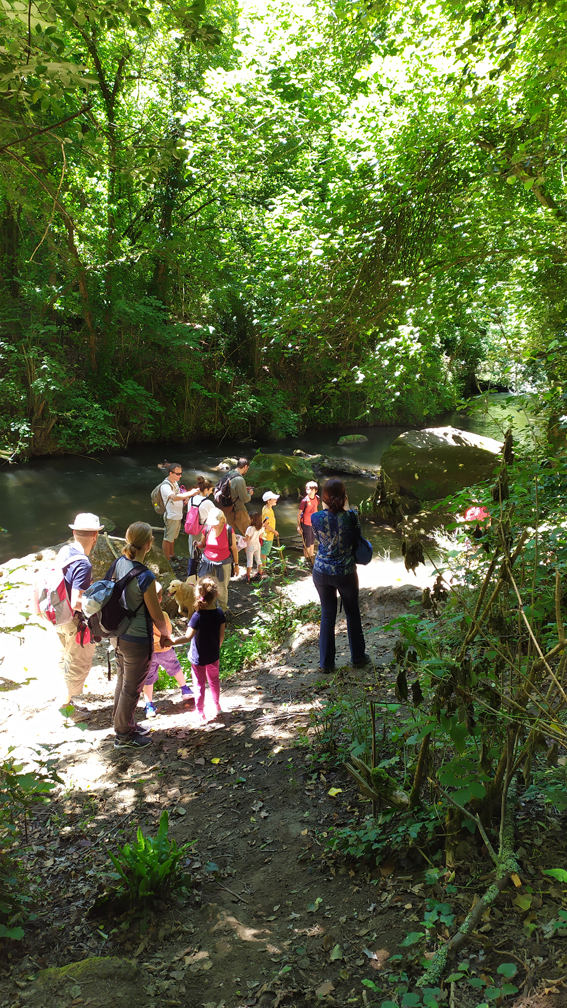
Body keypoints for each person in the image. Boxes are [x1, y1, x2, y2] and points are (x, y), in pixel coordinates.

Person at [112, 522, 173, 749]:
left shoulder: (119, 563)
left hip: (117, 634)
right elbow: (156, 615)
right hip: (137, 639)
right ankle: (123, 735)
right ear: (149, 543)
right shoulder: (145, 575)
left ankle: (124, 724)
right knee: (131, 688)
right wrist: (165, 635)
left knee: (122, 681)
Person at [33, 512, 103, 705]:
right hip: (74, 620)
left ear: (74, 532)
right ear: (95, 536)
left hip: (57, 613)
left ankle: (63, 699)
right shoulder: (83, 564)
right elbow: (76, 602)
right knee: (78, 663)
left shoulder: (65, 551)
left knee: (65, 657)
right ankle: (67, 707)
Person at [311, 478, 369, 673]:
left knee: (327, 614)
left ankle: (326, 664)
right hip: (345, 572)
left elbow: (320, 539)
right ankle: (358, 658)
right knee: (352, 613)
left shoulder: (315, 517)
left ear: (324, 497)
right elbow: (357, 538)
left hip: (321, 571)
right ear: (344, 496)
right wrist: (346, 506)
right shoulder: (352, 516)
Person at [173, 578, 225, 723]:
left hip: (198, 657)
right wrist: (215, 648)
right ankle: (217, 706)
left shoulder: (197, 616)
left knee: (199, 684)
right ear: (216, 594)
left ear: (197, 595)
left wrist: (171, 641)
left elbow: (187, 637)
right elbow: (221, 636)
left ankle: (200, 712)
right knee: (214, 681)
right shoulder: (220, 613)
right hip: (213, 655)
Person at [141, 582, 193, 718]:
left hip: (148, 652)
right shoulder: (162, 615)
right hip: (165, 649)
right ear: (159, 598)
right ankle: (185, 689)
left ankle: (149, 705)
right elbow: (168, 631)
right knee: (175, 667)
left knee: (148, 678)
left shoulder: (140, 617)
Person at [197, 508, 239, 610]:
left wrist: (236, 565)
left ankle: (221, 611)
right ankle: (206, 608)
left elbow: (234, 548)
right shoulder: (207, 529)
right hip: (207, 562)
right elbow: (202, 544)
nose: (213, 525)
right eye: (211, 523)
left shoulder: (228, 530)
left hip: (223, 563)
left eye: (215, 523)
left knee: (221, 589)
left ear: (222, 520)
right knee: (204, 586)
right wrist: (197, 545)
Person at [159, 462, 198, 561]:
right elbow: (174, 497)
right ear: (170, 473)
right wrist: (190, 493)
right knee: (168, 538)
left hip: (178, 515)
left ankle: (172, 554)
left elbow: (179, 495)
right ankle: (167, 559)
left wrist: (184, 499)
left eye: (181, 473)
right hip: (171, 515)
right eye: (177, 474)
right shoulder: (165, 486)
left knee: (174, 537)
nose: (180, 476)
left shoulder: (175, 483)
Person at [218, 458, 254, 535]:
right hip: (239, 511)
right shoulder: (239, 479)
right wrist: (249, 494)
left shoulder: (228, 474)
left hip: (227, 508)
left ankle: (229, 547)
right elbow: (244, 499)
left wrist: (244, 489)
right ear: (245, 467)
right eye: (247, 468)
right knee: (250, 534)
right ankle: (251, 547)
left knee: (229, 534)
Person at [186, 477, 215, 560]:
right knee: (204, 554)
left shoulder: (191, 499)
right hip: (203, 530)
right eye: (211, 490)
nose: (211, 492)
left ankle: (191, 572)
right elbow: (216, 516)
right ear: (206, 489)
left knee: (193, 553)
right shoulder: (208, 502)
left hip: (192, 529)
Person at [297, 480, 320, 563]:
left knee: (312, 541)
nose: (309, 491)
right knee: (307, 542)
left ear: (315, 490)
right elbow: (299, 513)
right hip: (305, 523)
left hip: (313, 523)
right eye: (307, 489)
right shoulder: (304, 501)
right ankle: (307, 559)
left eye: (311, 489)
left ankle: (311, 558)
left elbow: (316, 509)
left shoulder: (317, 498)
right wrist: (298, 526)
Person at [261, 491, 280, 568]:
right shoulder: (267, 512)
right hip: (267, 535)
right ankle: (263, 567)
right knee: (264, 552)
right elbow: (264, 524)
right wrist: (274, 531)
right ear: (268, 501)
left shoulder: (267, 508)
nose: (276, 500)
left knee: (264, 551)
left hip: (268, 534)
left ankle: (263, 566)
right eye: (274, 499)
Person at [244, 512, 264, 581]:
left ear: (252, 519)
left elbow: (247, 539)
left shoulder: (250, 529)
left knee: (249, 561)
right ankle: (260, 573)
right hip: (257, 545)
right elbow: (261, 536)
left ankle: (248, 575)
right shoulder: (260, 527)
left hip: (250, 546)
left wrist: (240, 538)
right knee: (258, 559)